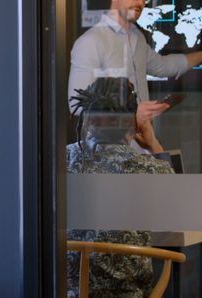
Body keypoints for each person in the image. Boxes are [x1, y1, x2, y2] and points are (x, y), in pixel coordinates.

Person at [68, 0, 202, 123]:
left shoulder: (137, 37)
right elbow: (77, 105)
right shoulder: (91, 41)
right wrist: (131, 113)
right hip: (108, 146)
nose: (140, 2)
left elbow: (164, 66)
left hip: (140, 143)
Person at [66, 77, 173, 298]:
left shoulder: (59, 161)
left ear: (87, 119)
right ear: (133, 122)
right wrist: (153, 143)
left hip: (64, 291)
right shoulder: (149, 169)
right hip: (129, 294)